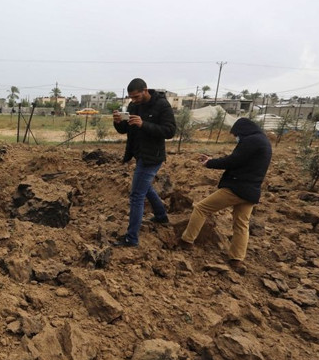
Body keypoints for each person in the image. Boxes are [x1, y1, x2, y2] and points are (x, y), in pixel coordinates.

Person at [178, 117, 272, 273]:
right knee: (242, 224)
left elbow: (233, 161)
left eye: (236, 134)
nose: (236, 137)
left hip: (237, 187)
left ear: (242, 130)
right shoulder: (264, 141)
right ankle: (237, 260)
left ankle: (186, 241)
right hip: (251, 191)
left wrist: (209, 163)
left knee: (201, 208)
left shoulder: (251, 141)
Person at [112, 78, 177, 247]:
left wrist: (144, 124)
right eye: (131, 98)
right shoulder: (134, 106)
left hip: (153, 156)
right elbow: (126, 129)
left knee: (136, 195)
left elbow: (170, 131)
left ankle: (131, 238)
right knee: (145, 187)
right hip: (139, 154)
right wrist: (118, 122)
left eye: (136, 97)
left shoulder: (162, 105)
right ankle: (161, 216)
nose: (134, 100)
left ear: (145, 90)